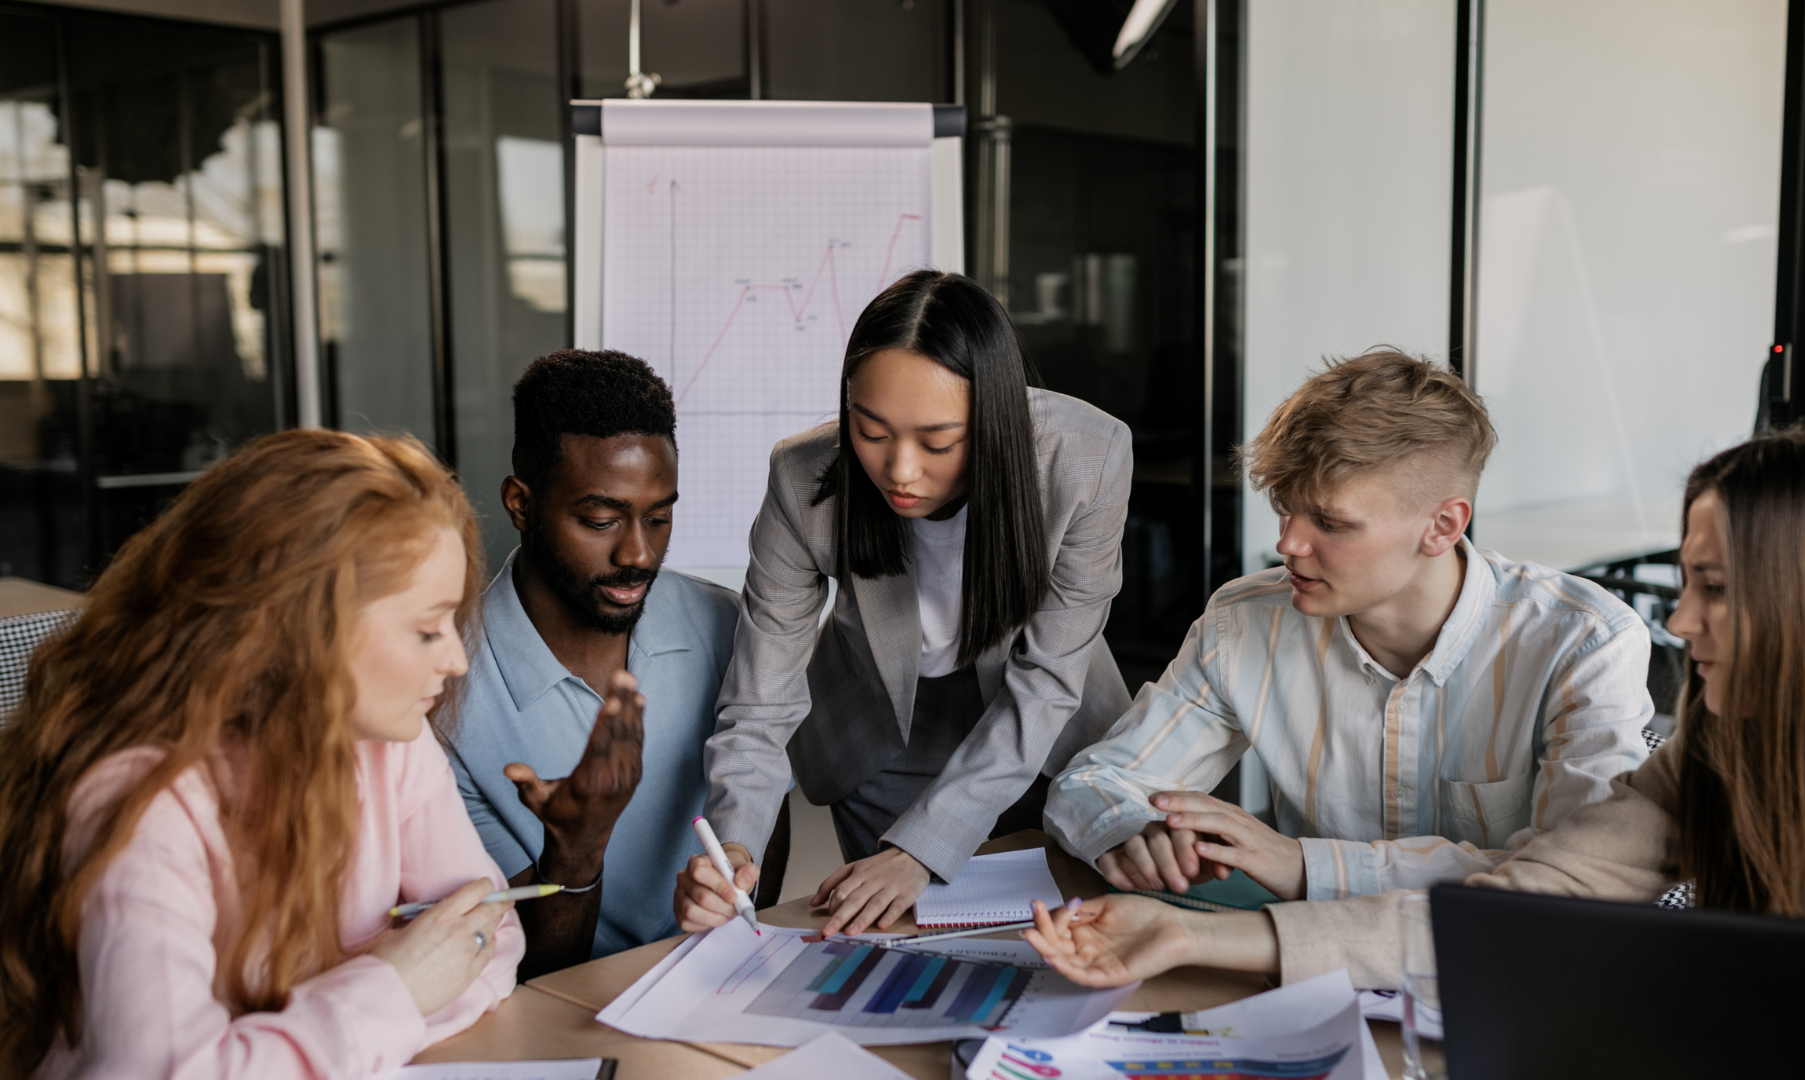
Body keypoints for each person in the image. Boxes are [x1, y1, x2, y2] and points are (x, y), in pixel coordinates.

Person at [1023, 420, 1805, 989]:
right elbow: (1525, 909)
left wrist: (1302, 864)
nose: (1682, 622)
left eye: (1715, 588)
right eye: (1689, 582)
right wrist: (1184, 937)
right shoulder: (1714, 751)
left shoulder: (1584, 639)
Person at [0, 430, 524, 1078]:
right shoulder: (139, 800)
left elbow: (490, 937)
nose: (456, 658)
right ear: (298, 628)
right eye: (425, 629)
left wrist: (285, 1044)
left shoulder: (392, 746)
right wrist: (395, 988)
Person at [1045, 350, 1652, 903]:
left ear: (1442, 526)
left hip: (1505, 976)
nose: (1288, 544)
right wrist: (1130, 829)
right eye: (1285, 510)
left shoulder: (1583, 642)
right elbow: (1096, 780)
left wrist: (1306, 865)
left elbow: (1577, 882)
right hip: (1303, 970)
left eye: (1330, 524)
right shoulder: (1244, 623)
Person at [674, 270, 1135, 937]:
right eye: (871, 431)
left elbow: (1045, 684)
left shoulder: (1085, 458)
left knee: (1052, 938)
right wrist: (734, 847)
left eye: (938, 442)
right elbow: (760, 697)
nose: (901, 471)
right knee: (898, 942)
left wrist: (924, 847)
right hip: (878, 731)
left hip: (1041, 726)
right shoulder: (804, 476)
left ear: (994, 421)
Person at [445, 350, 741, 974]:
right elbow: (527, 964)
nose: (638, 553)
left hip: (711, 982)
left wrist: (731, 891)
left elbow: (759, 813)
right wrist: (577, 850)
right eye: (601, 520)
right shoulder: (444, 688)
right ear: (521, 505)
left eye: (659, 517)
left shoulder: (725, 626)